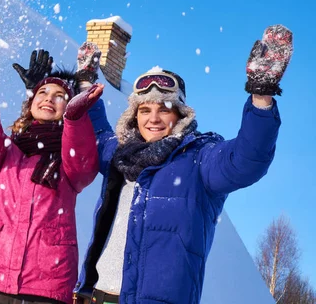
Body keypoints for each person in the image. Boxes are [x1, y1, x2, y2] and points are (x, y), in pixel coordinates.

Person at [73, 25, 293, 304]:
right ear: (134, 116)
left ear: (180, 115)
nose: (153, 118)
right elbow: (94, 133)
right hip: (96, 296)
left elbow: (247, 160)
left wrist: (261, 97)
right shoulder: (120, 155)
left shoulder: (199, 159)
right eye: (145, 110)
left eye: (164, 109)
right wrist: (84, 83)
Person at [0, 52, 102, 304]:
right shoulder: (8, 150)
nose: (49, 99)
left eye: (60, 96)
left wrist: (76, 119)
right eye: (43, 93)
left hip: (45, 286)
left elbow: (85, 164)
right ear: (31, 101)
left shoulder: (69, 158)